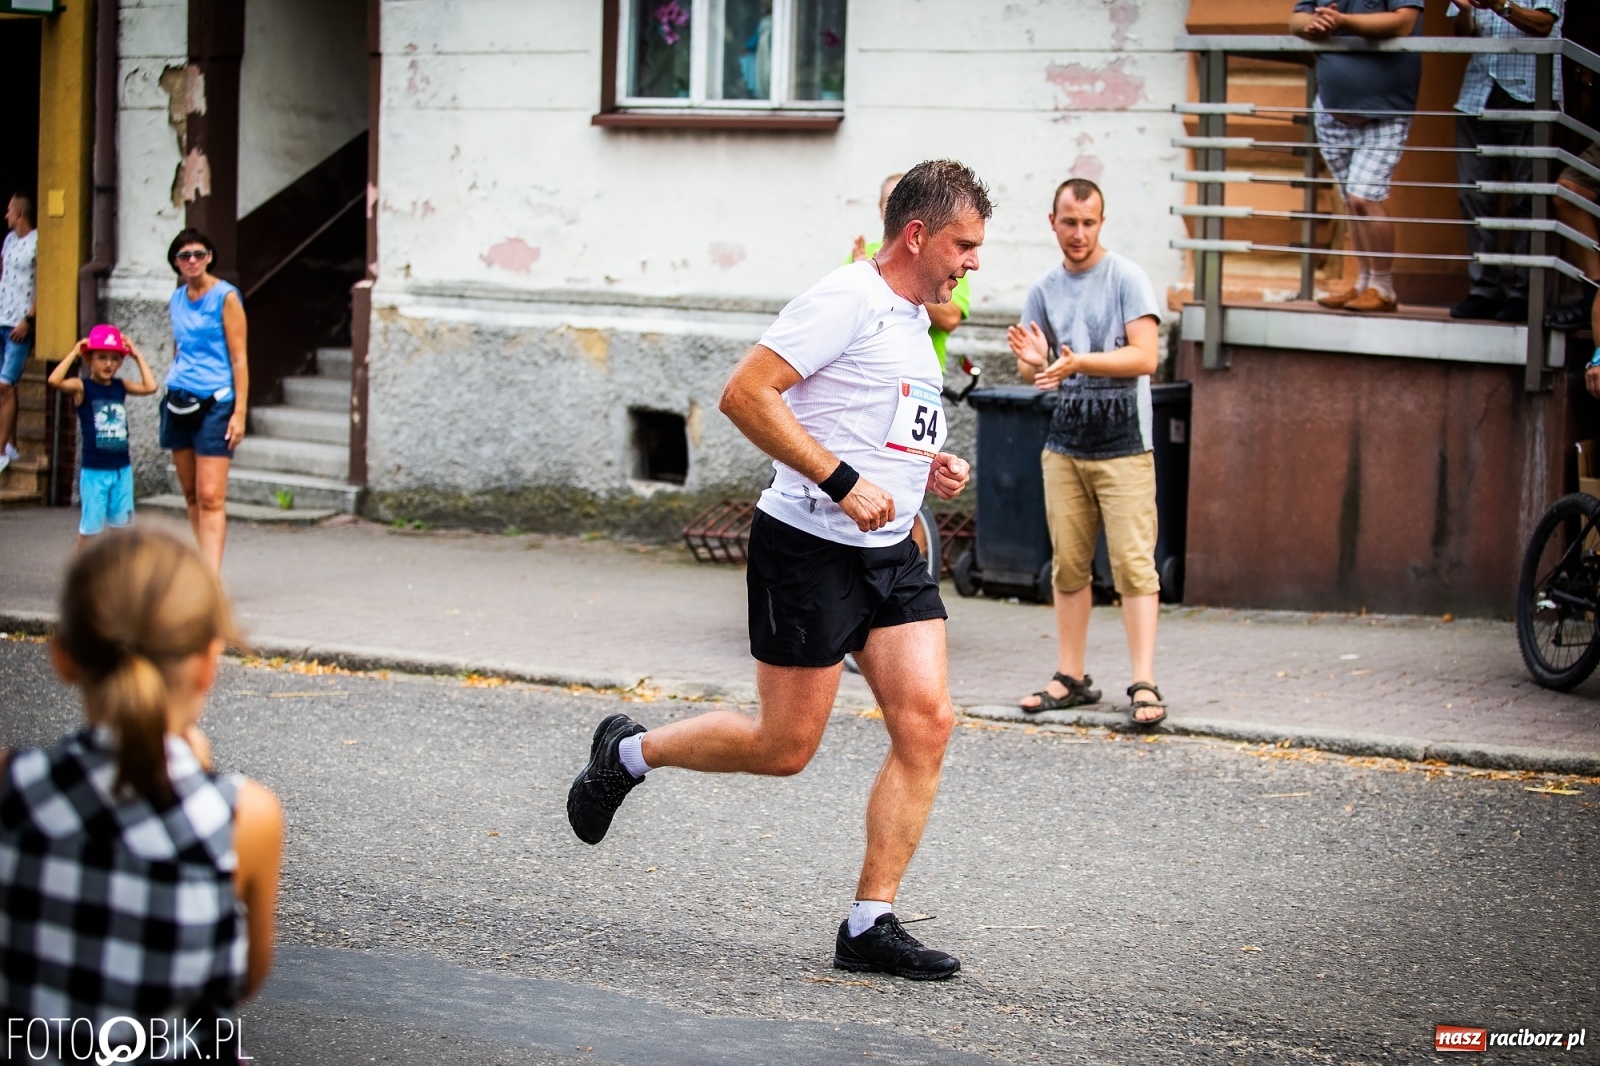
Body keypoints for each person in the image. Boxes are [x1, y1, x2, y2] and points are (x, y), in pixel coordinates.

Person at [567, 159, 985, 981]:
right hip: (809, 548)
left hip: (890, 551)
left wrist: (924, 464)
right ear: (917, 234)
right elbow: (747, 393)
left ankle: (869, 923)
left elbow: (877, 415)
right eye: (964, 245)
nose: (972, 263)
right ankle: (627, 754)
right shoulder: (846, 298)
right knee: (784, 746)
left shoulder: (913, 314)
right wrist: (839, 480)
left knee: (927, 722)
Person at [0, 527, 282, 1056]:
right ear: (207, 665)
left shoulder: (10, 786)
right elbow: (240, 979)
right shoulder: (244, 818)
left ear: (62, 656)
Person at [1007, 178, 1167, 727]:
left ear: (1102, 222)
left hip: (1124, 448)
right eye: (1069, 222)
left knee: (1132, 565)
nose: (1079, 233)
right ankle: (1070, 677)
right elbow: (1038, 374)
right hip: (1064, 448)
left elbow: (1146, 357)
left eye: (1089, 222)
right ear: (1052, 222)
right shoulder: (1043, 289)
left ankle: (1143, 682)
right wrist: (1037, 361)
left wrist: (1078, 362)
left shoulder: (1126, 277)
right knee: (1069, 567)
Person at [1291, 0, 1425, 315]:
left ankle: (1383, 287)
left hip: (1386, 110)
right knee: (1351, 202)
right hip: (1332, 110)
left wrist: (1342, 22)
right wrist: (1312, 25)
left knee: (1363, 196)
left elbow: (1403, 22)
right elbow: (1296, 18)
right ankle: (1363, 283)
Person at [1449, 0, 1564, 323]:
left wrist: (1500, 5)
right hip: (1477, 93)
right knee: (1472, 194)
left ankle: (1523, 293)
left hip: (1530, 94)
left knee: (1527, 198)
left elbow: (1544, 25)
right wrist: (1466, 11)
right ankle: (1483, 290)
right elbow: (1461, 35)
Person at [162, 229, 249, 571]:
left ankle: (210, 581)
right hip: (179, 398)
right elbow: (182, 347)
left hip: (217, 401)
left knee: (211, 495)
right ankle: (200, 570)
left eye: (199, 254)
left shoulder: (226, 297)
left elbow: (239, 358)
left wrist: (239, 412)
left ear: (210, 256)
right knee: (191, 494)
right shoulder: (177, 299)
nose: (193, 261)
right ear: (176, 263)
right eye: (185, 257)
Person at [45, 325, 158, 550]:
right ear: (89, 359)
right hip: (95, 471)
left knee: (122, 529)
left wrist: (136, 355)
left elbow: (150, 386)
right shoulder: (83, 387)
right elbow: (54, 381)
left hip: (121, 470)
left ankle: (119, 575)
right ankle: (81, 577)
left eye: (114, 359)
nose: (108, 364)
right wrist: (75, 352)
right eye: (102, 357)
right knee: (91, 529)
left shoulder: (120, 386)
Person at [851, 173, 970, 373]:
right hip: (872, 372)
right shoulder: (861, 255)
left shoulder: (944, 258)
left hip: (921, 375)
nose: (902, 209)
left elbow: (950, 319)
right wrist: (865, 278)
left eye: (909, 201)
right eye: (893, 202)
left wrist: (893, 282)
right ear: (882, 210)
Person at [0, 193, 37, 474]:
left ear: (20, 214)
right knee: (7, 387)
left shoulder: (37, 242)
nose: (6, 216)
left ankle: (0, 451)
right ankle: (11, 443)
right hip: (1, 318)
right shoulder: (9, 240)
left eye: (9, 211)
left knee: (4, 386)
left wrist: (28, 319)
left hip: (19, 324)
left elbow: (42, 285)